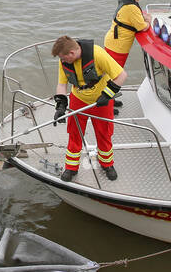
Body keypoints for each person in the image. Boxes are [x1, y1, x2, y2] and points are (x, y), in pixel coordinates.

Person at [51, 35, 126, 182]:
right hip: (78, 99)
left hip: (101, 102)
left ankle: (107, 164)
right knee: (74, 133)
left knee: (104, 133)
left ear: (71, 53)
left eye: (63, 58)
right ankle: (71, 167)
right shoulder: (64, 61)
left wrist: (107, 94)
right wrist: (60, 105)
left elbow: (121, 75)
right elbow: (62, 85)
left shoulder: (98, 54)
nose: (62, 61)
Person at [102, 0, 152, 110]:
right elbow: (141, 26)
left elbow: (137, 17)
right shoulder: (131, 7)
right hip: (118, 45)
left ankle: (110, 99)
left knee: (111, 73)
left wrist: (143, 18)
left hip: (113, 41)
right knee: (114, 75)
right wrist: (149, 22)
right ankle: (107, 104)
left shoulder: (128, 2)